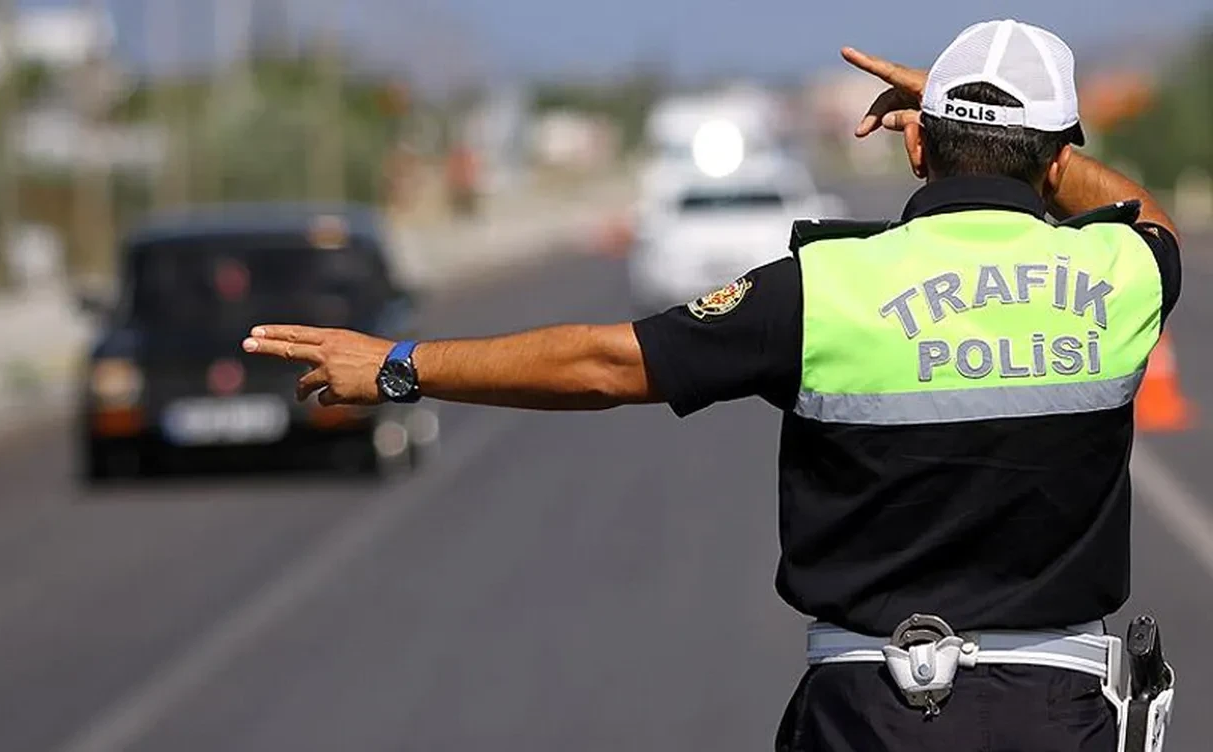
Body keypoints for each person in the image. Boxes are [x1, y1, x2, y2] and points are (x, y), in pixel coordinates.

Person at [243, 19, 1180, 752]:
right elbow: (1142, 214)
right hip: (1061, 716)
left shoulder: (822, 289)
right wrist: (1006, 137)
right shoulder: (1123, 276)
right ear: (1057, 161)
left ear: (915, 148)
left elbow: (604, 363)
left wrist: (402, 365)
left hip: (874, 715)